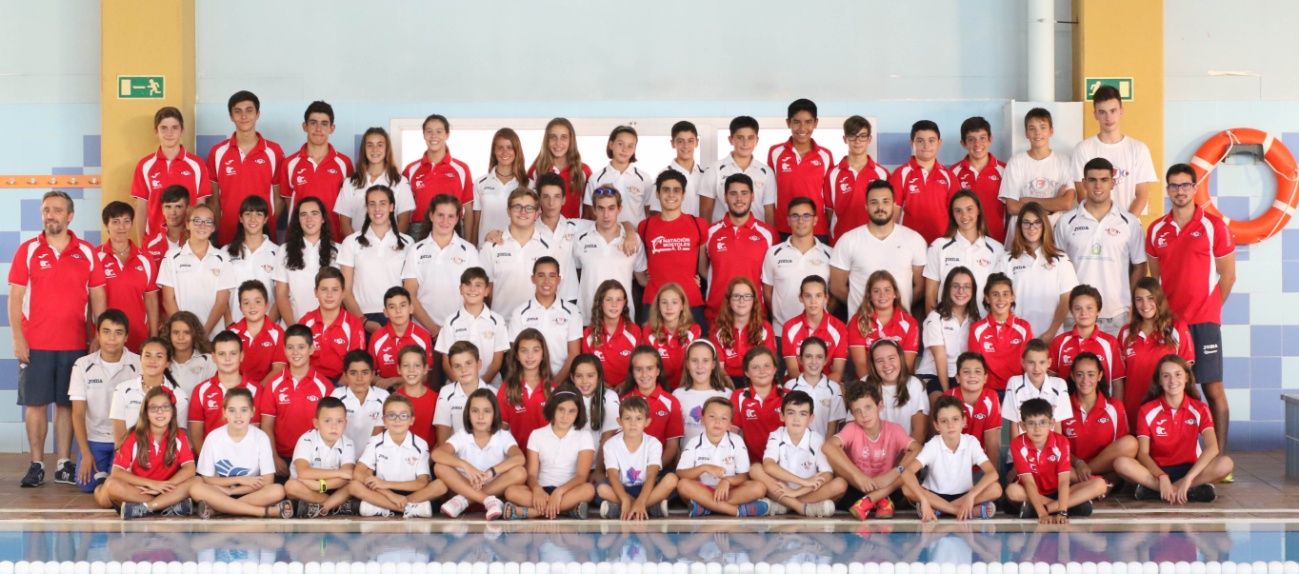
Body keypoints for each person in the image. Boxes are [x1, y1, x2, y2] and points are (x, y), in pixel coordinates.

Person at [1146, 162, 1236, 460]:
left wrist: (1209, 311)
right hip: (1170, 326)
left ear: (1195, 189)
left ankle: (1219, 460)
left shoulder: (1215, 227)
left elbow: (1228, 276)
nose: (1180, 190)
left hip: (1204, 322)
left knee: (1213, 390)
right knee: (1174, 390)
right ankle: (1180, 458)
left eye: (1185, 185)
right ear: (1168, 190)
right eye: (1174, 185)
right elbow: (1156, 280)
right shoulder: (1156, 230)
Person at [1114, 356, 1234, 503]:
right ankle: (1182, 491)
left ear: (1187, 378)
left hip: (1189, 469)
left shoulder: (1200, 408)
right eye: (1166, 376)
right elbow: (1143, 454)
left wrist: (1189, 478)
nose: (1172, 381)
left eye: (1178, 374)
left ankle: (1163, 490)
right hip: (1157, 471)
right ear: (1159, 380)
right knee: (1121, 463)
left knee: (1225, 463)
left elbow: (1213, 448)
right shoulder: (1147, 410)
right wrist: (1161, 476)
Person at [1054, 157, 1148, 335]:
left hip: (1118, 316)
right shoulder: (1066, 221)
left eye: (1104, 180)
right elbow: (1056, 269)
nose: (1098, 186)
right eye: (1092, 180)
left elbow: (1140, 266)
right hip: (1075, 315)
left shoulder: (1130, 222)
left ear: (1112, 183)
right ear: (1084, 183)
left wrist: (1131, 305)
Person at [822, 380, 919, 521]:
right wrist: (858, 476)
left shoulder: (893, 429)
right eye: (857, 411)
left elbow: (917, 449)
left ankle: (874, 499)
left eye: (868, 407)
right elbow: (828, 447)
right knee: (835, 458)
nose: (864, 415)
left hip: (886, 485)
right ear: (852, 414)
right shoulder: (852, 428)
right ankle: (879, 500)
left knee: (909, 473)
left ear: (880, 406)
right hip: (858, 487)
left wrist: (894, 473)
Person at [189, 388, 292, 519]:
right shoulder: (213, 437)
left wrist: (232, 491)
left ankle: (220, 510)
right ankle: (261, 511)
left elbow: (268, 480)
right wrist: (237, 480)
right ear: (224, 412)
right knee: (196, 489)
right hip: (219, 492)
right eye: (232, 410)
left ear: (252, 412)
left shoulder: (261, 437)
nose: (238, 416)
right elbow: (207, 479)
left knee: (277, 490)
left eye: (244, 410)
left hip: (251, 492)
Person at [830, 181, 928, 318]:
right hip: (861, 325)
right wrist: (863, 306)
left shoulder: (914, 239)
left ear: (894, 205)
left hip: (901, 325)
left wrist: (896, 306)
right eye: (874, 202)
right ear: (866, 206)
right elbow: (837, 287)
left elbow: (921, 287)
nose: (880, 207)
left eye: (886, 201)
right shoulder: (848, 240)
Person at [98, 387, 199, 519]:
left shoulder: (179, 435)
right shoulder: (133, 436)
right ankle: (168, 505)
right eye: (153, 408)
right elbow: (117, 472)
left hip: (168, 488)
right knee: (110, 488)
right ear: (145, 413)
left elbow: (190, 469)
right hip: (140, 490)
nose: (160, 412)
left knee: (197, 480)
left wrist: (165, 486)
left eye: (165, 407)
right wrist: (152, 484)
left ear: (173, 411)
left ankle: (148, 507)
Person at [899, 395, 1003, 521]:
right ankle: (961, 511)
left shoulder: (971, 442)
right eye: (944, 421)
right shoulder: (933, 445)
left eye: (955, 419)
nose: (950, 425)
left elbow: (992, 473)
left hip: (964, 495)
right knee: (907, 489)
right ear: (936, 426)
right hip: (935, 495)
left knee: (996, 489)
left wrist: (971, 495)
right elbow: (907, 473)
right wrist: (923, 498)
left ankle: (939, 510)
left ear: (964, 421)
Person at [70, 311, 141, 493]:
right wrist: (85, 452)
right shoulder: (82, 365)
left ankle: (109, 477)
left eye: (118, 333)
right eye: (106, 331)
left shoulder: (140, 364)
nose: (112, 338)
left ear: (126, 337)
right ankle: (107, 476)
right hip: (95, 438)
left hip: (128, 439)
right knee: (87, 485)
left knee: (123, 483)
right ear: (98, 335)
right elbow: (77, 413)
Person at [502, 386, 598, 519]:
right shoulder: (537, 435)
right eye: (561, 410)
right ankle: (565, 510)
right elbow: (531, 474)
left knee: (589, 490)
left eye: (572, 411)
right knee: (511, 491)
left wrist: (559, 492)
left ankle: (531, 512)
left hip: (567, 491)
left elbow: (581, 476)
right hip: (541, 490)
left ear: (578, 413)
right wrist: (537, 490)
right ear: (553, 409)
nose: (565, 416)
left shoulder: (584, 436)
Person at [747, 390, 845, 516]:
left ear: (811, 419)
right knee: (755, 469)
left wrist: (796, 492)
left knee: (840, 484)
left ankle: (786, 505)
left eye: (803, 414)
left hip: (806, 492)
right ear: (782, 416)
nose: (796, 419)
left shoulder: (816, 439)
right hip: (781, 489)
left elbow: (827, 475)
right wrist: (803, 481)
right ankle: (802, 508)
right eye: (791, 413)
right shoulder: (776, 435)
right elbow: (768, 465)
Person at [432, 388, 526, 520]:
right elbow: (437, 454)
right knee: (439, 467)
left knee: (520, 472)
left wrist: (491, 471)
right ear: (468, 415)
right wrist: (466, 466)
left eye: (486, 411)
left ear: (495, 414)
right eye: (475, 411)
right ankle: (487, 500)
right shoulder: (463, 435)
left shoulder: (503, 436)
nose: (480, 416)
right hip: (467, 486)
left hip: (493, 489)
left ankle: (464, 500)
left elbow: (519, 458)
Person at [1006, 398, 1106, 521]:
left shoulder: (1061, 442)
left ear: (1052, 424)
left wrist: (1061, 512)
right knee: (1012, 491)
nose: (1037, 429)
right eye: (1031, 423)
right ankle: (1072, 505)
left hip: (1057, 491)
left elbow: (1063, 481)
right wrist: (1042, 514)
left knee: (1100, 484)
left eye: (1043, 423)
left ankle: (1049, 508)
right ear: (1023, 426)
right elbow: (1028, 483)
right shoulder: (1017, 444)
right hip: (1031, 492)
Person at [1118, 277, 1196, 430]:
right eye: (1139, 299)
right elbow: (1119, 379)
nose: (1145, 304)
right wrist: (1120, 412)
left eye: (1150, 298)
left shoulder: (1177, 328)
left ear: (1159, 299)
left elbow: (1185, 372)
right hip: (1133, 410)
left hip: (1168, 412)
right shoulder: (1125, 332)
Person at [207, 91, 285, 244]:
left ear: (257, 114)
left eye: (249, 110)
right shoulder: (217, 152)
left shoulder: (274, 151)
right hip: (227, 237)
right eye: (238, 111)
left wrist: (265, 223)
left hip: (264, 238)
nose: (244, 116)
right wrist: (221, 226)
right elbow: (213, 199)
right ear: (231, 116)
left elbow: (279, 198)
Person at [348, 394, 442, 518]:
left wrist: (386, 484)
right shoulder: (375, 441)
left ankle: (385, 508)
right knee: (354, 486)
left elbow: (421, 483)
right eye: (391, 415)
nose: (397, 420)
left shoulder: (420, 444)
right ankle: (408, 509)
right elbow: (358, 473)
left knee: (441, 485)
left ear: (411, 420)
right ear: (384, 420)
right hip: (383, 493)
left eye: (403, 415)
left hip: (411, 492)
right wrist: (389, 494)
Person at [993, 202, 1077, 341]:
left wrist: (1050, 333)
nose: (1032, 227)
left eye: (1037, 222)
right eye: (1026, 222)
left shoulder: (1060, 259)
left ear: (1044, 225)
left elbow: (1066, 299)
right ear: (1019, 226)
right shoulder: (1007, 260)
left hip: (1051, 338)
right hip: (1015, 338)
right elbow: (996, 297)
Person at [1071, 85, 1158, 216]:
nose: (1108, 117)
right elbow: (1082, 194)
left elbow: (1142, 195)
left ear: (1121, 111)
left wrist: (1125, 223)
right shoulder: (1083, 149)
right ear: (1095, 115)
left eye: (1113, 111)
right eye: (1102, 112)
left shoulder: (1139, 149)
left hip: (1128, 224)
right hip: (1094, 223)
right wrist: (1101, 222)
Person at [636, 170, 709, 324]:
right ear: (657, 194)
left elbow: (703, 268)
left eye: (676, 190)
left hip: (690, 301)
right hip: (655, 302)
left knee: (697, 340)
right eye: (666, 190)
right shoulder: (645, 226)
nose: (671, 195)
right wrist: (645, 281)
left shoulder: (698, 224)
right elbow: (639, 263)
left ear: (683, 195)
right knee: (651, 341)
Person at [675, 397, 769, 517]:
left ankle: (706, 507)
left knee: (759, 488)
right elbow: (681, 473)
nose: (717, 421)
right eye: (712, 416)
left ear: (730, 425)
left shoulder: (736, 441)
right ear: (702, 419)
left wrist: (727, 481)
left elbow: (745, 476)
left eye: (724, 418)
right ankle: (736, 511)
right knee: (683, 485)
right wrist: (704, 467)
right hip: (703, 491)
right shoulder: (694, 442)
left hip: (729, 492)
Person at [702, 174, 778, 323]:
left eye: (744, 193)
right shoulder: (709, 232)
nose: (739, 199)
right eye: (733, 193)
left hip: (756, 316)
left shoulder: (768, 234)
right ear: (725, 197)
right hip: (716, 315)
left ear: (752, 197)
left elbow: (772, 276)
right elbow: (703, 269)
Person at [404, 194, 481, 340]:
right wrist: (433, 330)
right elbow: (410, 294)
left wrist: (455, 329)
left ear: (457, 219)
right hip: (422, 333)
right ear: (431, 215)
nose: (445, 221)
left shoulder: (469, 251)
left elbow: (475, 294)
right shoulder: (416, 250)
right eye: (440, 215)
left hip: (459, 333)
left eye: (451, 216)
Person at [260, 325, 332, 476]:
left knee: (322, 486)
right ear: (284, 350)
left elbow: (330, 425)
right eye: (290, 347)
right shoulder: (273, 384)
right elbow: (266, 426)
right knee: (278, 488)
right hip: (282, 459)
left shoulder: (325, 386)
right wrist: (274, 457)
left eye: (301, 347)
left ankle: (322, 491)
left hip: (314, 458)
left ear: (311, 349)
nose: (295, 352)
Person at [340, 185, 413, 333]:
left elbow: (410, 290)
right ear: (367, 208)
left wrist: (400, 316)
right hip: (362, 317)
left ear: (392, 207)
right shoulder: (351, 242)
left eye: (383, 203)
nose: (377, 209)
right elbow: (345, 290)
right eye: (372, 204)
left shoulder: (408, 243)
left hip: (398, 318)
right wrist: (363, 321)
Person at [131, 107, 211, 241]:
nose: (169, 133)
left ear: (182, 131)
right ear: (156, 131)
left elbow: (201, 207)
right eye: (164, 128)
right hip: (155, 241)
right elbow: (141, 208)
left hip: (189, 241)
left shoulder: (197, 164)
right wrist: (141, 245)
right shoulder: (145, 165)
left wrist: (199, 241)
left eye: (175, 127)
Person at [280, 101, 354, 242]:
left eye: (324, 124)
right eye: (313, 123)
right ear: (305, 126)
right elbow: (290, 205)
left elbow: (348, 205)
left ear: (332, 128)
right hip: (299, 241)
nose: (318, 129)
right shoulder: (289, 163)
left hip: (335, 239)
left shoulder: (345, 163)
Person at [158, 202, 234, 336]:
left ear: (213, 228)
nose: (202, 226)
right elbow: (168, 300)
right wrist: (184, 332)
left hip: (214, 336)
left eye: (208, 221)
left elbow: (222, 302)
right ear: (187, 224)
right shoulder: (171, 257)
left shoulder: (223, 258)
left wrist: (203, 335)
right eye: (197, 220)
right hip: (182, 338)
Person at [923, 191, 1005, 314]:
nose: (964, 215)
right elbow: (931, 293)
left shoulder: (996, 249)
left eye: (969, 209)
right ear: (952, 215)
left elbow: (999, 292)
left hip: (983, 321)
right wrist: (932, 321)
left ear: (978, 210)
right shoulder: (939, 246)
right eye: (958, 211)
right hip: (946, 321)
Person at [596, 396, 678, 519]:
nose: (633, 423)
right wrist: (624, 499)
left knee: (672, 479)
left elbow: (651, 475)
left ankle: (627, 508)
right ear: (619, 421)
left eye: (638, 418)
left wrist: (641, 501)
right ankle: (648, 507)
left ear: (647, 422)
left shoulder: (653, 443)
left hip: (647, 489)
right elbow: (613, 476)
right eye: (627, 418)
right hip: (622, 490)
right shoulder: (610, 445)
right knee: (602, 489)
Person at [1063, 352, 1137, 486]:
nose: (1085, 380)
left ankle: (1091, 478)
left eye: (1091, 374)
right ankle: (1098, 483)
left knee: (1131, 442)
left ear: (1100, 376)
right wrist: (1078, 463)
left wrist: (1086, 468)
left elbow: (1124, 449)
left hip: (1102, 470)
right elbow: (1056, 446)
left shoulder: (1114, 406)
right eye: (1079, 374)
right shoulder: (1061, 406)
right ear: (1072, 376)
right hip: (1072, 469)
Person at [762, 197, 832, 338]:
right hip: (782, 333)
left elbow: (834, 294)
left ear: (815, 220)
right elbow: (767, 294)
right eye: (795, 216)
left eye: (806, 216)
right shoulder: (773, 253)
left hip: (819, 334)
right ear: (788, 220)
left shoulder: (830, 254)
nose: (800, 221)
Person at [1000, 108, 1075, 238]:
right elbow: (1012, 207)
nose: (1037, 133)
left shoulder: (1063, 161)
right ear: (1026, 133)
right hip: (1021, 236)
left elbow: (1066, 203)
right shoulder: (1016, 162)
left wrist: (1027, 200)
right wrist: (1053, 205)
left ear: (1051, 131)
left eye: (1042, 127)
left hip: (1052, 233)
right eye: (1032, 128)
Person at [768, 98, 834, 240]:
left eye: (808, 122)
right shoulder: (775, 152)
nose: (802, 128)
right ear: (788, 123)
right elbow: (769, 194)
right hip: (783, 228)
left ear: (815, 123)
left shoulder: (825, 155)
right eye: (797, 122)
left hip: (817, 229)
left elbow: (829, 198)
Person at [509, 257, 583, 384]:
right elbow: (516, 354)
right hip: (530, 383)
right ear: (533, 279)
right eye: (541, 276)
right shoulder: (519, 313)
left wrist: (554, 386)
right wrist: (535, 386)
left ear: (559, 279)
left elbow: (574, 354)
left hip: (563, 383)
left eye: (552, 276)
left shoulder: (572, 312)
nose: (546, 281)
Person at [575, 187, 643, 322]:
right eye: (601, 208)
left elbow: (642, 279)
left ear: (619, 209)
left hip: (623, 319)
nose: (606, 215)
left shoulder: (634, 239)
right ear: (594, 210)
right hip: (588, 318)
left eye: (611, 208)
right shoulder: (580, 239)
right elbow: (575, 274)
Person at [99, 202, 160, 352]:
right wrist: (92, 336)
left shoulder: (145, 258)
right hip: (106, 338)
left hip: (138, 336)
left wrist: (153, 336)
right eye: (115, 222)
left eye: (126, 221)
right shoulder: (96, 257)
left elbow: (151, 300)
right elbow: (89, 302)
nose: (121, 227)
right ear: (106, 225)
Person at [481, 188, 551, 317]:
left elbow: (555, 287)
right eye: (517, 207)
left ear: (537, 214)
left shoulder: (550, 247)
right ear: (508, 211)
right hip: (501, 323)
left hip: (539, 323)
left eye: (529, 208)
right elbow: (485, 289)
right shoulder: (490, 247)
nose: (523, 212)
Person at [283, 396, 356, 518]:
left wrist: (320, 485)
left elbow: (347, 476)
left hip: (333, 488)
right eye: (327, 421)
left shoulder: (348, 443)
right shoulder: (306, 439)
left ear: (346, 423)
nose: (334, 426)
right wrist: (338, 473)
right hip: (307, 488)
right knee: (291, 486)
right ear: (316, 423)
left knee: (353, 484)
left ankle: (318, 507)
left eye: (339, 421)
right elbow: (303, 473)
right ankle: (337, 506)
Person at [188, 330, 259, 454]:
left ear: (241, 356)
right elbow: (196, 435)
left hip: (246, 459)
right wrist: (209, 462)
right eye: (221, 354)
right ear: (213, 357)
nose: (227, 359)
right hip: (210, 460)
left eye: (233, 353)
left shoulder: (256, 390)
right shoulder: (200, 391)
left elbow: (256, 431)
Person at [109, 337, 190, 444]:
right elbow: (119, 439)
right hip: (128, 453)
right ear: (140, 359)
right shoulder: (122, 390)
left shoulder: (179, 396)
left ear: (168, 362)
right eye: (147, 355)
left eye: (159, 356)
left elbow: (177, 438)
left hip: (165, 454)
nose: (152, 361)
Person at [403, 114, 473, 236]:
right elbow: (403, 209)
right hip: (418, 230)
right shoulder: (411, 169)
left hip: (452, 228)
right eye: (429, 131)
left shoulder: (461, 169)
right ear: (424, 135)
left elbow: (468, 209)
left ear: (447, 135)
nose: (433, 136)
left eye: (439, 131)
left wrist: (469, 242)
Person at [434, 268, 508, 384]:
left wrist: (480, 386)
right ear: (460, 289)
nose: (472, 289)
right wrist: (463, 386)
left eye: (478, 285)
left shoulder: (497, 321)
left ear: (486, 291)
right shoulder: (450, 322)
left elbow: (497, 361)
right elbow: (446, 362)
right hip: (457, 385)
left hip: (490, 385)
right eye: (468, 284)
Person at [273, 197, 339, 325]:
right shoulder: (284, 250)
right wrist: (294, 329)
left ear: (323, 219)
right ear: (298, 220)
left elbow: (342, 294)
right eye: (303, 214)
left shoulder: (338, 250)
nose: (309, 219)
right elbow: (281, 295)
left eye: (314, 213)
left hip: (329, 329)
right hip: (293, 327)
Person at [891, 120, 958, 245]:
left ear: (939, 143)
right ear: (912, 143)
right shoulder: (900, 174)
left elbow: (956, 212)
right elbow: (894, 212)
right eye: (920, 141)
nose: (926, 146)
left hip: (942, 244)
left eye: (931, 141)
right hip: (908, 244)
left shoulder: (949, 176)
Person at [916, 268, 978, 402]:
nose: (961, 291)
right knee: (942, 405)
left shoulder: (975, 320)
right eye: (955, 286)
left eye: (967, 286)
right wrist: (946, 393)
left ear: (973, 291)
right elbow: (940, 358)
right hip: (934, 375)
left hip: (962, 377)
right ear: (947, 289)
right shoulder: (935, 317)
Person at [699, 116, 777, 224]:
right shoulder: (714, 169)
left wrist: (770, 234)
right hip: (723, 233)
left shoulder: (766, 172)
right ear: (731, 140)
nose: (745, 143)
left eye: (750, 138)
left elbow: (769, 211)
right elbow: (705, 211)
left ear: (757, 140)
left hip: (756, 233)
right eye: (740, 138)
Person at [826, 116, 891, 244]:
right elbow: (829, 212)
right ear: (845, 139)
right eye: (852, 136)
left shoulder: (882, 174)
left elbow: (887, 210)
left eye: (862, 136)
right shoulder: (832, 174)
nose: (857, 141)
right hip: (840, 241)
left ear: (869, 139)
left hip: (873, 241)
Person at [339, 128, 414, 238]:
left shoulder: (400, 182)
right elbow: (345, 223)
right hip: (358, 246)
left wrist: (390, 243)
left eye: (380, 145)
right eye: (370, 145)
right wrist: (356, 244)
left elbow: (404, 222)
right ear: (364, 149)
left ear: (387, 148)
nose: (375, 149)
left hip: (391, 246)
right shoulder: (350, 182)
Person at [619, 346, 685, 468]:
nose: (644, 374)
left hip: (660, 468)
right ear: (632, 372)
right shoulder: (623, 402)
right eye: (639, 369)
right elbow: (618, 442)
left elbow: (672, 447)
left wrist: (654, 470)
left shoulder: (671, 402)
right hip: (628, 469)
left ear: (658, 371)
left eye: (650, 368)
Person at [969, 273, 1033, 395]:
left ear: (1012, 297)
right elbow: (975, 366)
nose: (1001, 299)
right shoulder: (977, 329)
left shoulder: (1024, 327)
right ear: (987, 298)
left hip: (1019, 390)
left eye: (1005, 294)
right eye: (995, 294)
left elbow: (1030, 361)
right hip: (988, 390)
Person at [1050, 285, 1126, 386]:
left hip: (1102, 397)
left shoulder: (1110, 342)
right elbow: (1050, 379)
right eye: (1078, 308)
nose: (1083, 313)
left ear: (1098, 311)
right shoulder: (1059, 342)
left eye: (1089, 308)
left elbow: (1117, 381)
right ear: (1071, 311)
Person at [299, 267, 365, 382]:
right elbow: (298, 360)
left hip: (343, 382)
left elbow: (356, 364)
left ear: (343, 293)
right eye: (324, 289)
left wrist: (337, 388)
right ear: (316, 292)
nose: (329, 295)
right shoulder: (306, 321)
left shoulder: (354, 323)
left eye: (335, 290)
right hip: (311, 382)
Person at [848, 271, 920, 375]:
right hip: (868, 380)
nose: (882, 295)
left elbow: (907, 365)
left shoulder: (910, 323)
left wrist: (893, 384)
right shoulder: (857, 321)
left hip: (901, 380)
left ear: (895, 293)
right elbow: (860, 364)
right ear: (869, 296)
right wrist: (872, 384)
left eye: (887, 290)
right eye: (876, 291)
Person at [949, 117, 1008, 243]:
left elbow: (1011, 210)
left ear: (990, 139)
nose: (977, 144)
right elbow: (950, 210)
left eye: (982, 138)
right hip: (963, 243)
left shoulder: (1005, 170)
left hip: (999, 241)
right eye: (971, 139)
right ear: (963, 143)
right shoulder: (953, 172)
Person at [780, 276, 847, 382]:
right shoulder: (789, 327)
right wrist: (808, 388)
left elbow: (837, 372)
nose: (813, 301)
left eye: (818, 296)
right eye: (808, 296)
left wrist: (820, 388)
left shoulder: (839, 328)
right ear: (801, 298)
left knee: (842, 390)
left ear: (826, 298)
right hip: (798, 384)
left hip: (829, 383)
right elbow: (793, 370)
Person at [711, 277, 776, 386]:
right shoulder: (717, 328)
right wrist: (728, 385)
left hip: (756, 378)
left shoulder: (765, 327)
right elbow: (719, 367)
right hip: (727, 379)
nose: (742, 301)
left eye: (747, 296)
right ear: (729, 300)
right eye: (736, 296)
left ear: (754, 300)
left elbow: (768, 363)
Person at [584, 125, 654, 226]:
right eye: (621, 144)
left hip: (636, 234)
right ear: (611, 144)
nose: (625, 149)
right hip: (605, 235)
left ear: (635, 149)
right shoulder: (596, 179)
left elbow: (649, 212)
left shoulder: (644, 178)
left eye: (630, 146)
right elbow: (590, 213)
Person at [225, 197, 279, 325]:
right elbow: (221, 295)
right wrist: (230, 324)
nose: (253, 219)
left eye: (259, 214)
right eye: (248, 214)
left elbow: (281, 297)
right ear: (240, 218)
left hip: (268, 328)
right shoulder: (225, 252)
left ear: (266, 219)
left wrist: (267, 326)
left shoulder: (278, 253)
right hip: (234, 327)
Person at [498, 329, 554, 451]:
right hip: (518, 456)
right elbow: (502, 431)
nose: (530, 356)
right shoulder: (507, 388)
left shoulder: (553, 388)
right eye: (524, 351)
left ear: (543, 354)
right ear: (517, 355)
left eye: (536, 350)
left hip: (548, 456)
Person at [865, 339, 929, 446]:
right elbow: (852, 429)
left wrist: (904, 455)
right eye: (880, 361)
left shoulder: (914, 384)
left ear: (900, 358)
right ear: (873, 364)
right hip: (870, 450)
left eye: (891, 358)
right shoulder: (864, 384)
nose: (886, 365)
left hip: (906, 449)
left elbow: (919, 432)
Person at [471, 128, 529, 245]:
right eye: (500, 148)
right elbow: (476, 223)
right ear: (494, 151)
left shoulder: (528, 185)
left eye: (509, 147)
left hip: (516, 250)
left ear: (516, 150)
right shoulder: (480, 183)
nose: (504, 152)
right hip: (486, 250)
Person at [1002, 340, 1073, 436]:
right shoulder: (1014, 383)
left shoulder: (1060, 385)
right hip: (1022, 444)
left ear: (1049, 363)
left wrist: (1056, 446)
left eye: (1042, 362)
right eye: (1031, 362)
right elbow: (1014, 425)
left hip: (1050, 444)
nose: (1036, 368)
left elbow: (1057, 426)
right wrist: (1018, 446)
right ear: (1023, 363)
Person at [943, 352, 1003, 465]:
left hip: (980, 464)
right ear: (958, 378)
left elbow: (991, 441)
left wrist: (991, 472)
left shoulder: (991, 397)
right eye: (966, 372)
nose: (972, 375)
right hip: (952, 464)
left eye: (977, 371)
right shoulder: (948, 397)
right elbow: (945, 438)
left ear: (985, 378)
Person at [369, 287, 433, 388]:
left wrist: (394, 381)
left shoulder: (423, 336)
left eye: (402, 305)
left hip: (415, 389)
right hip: (386, 390)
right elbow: (369, 373)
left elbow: (425, 375)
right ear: (385, 312)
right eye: (392, 307)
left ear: (411, 308)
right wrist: (386, 383)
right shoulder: (376, 337)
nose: (398, 311)